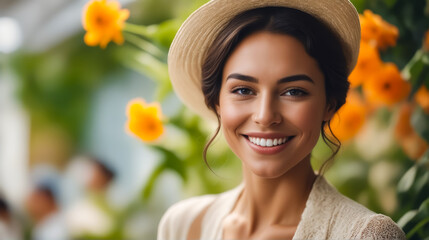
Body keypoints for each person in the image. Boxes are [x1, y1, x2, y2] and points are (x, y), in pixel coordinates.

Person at [159, 0, 407, 239]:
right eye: (243, 90)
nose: (265, 116)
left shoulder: (366, 236)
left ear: (330, 104)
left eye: (293, 91)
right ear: (216, 102)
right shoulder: (182, 225)